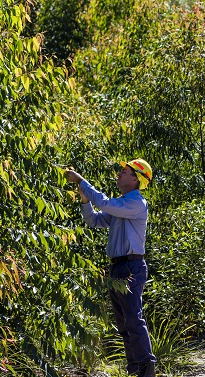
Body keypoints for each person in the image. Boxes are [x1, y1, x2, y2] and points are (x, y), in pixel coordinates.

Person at [65, 159, 157, 377]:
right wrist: (85, 200)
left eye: (124, 172)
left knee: (133, 318)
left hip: (131, 267)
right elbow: (94, 220)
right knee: (124, 322)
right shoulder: (122, 204)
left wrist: (82, 181)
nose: (119, 174)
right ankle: (135, 369)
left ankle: (146, 368)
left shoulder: (136, 203)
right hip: (118, 268)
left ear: (136, 179)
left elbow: (104, 204)